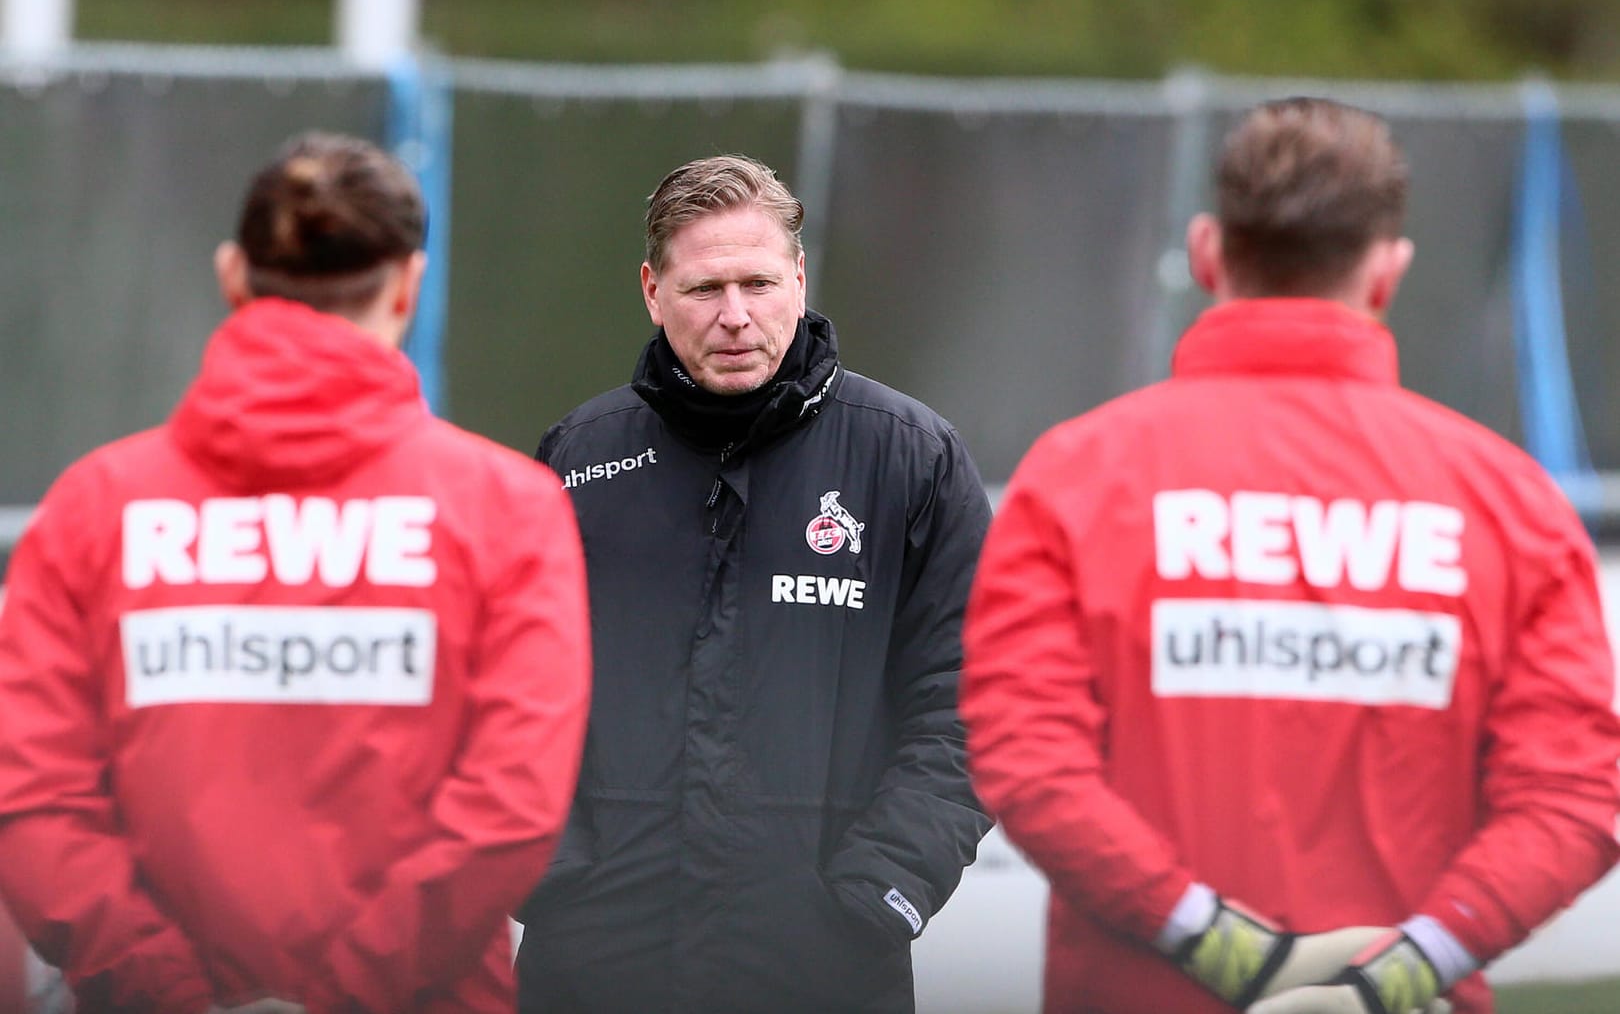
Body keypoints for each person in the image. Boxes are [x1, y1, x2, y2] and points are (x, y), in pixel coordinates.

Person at [960, 98, 1620, 1014]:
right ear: (1387, 273)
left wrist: (1224, 948)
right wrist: (1400, 973)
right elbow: (1577, 800)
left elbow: (1028, 763)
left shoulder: (1078, 477)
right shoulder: (1508, 503)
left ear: (1205, 253)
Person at [0, 132, 593, 1013]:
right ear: (407, 285)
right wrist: (345, 989)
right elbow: (510, 810)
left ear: (233, 275)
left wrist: (167, 989)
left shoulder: (96, 508)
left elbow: (35, 798)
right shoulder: (507, 508)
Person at [514, 153, 993, 1013]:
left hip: (827, 967)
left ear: (800, 279)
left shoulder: (910, 460)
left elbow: (975, 703)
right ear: (652, 290)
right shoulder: (577, 461)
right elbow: (503, 695)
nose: (735, 317)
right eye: (704, 290)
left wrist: (882, 892)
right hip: (597, 967)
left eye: (759, 284)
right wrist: (552, 876)